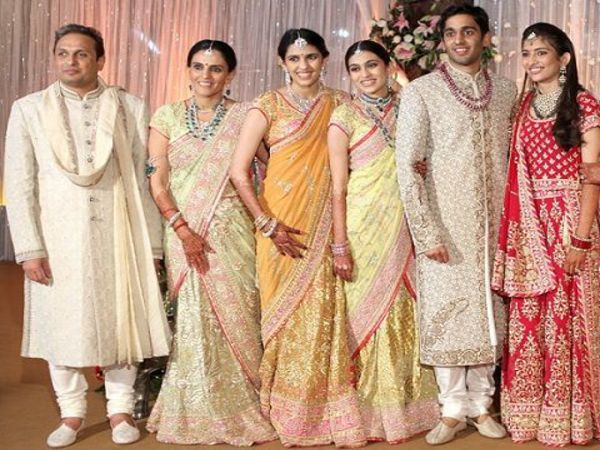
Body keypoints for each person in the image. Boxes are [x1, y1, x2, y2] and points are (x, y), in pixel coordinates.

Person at [3, 24, 171, 447]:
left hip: (119, 231)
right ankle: (71, 413)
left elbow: (143, 179)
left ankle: (120, 411)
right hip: (57, 236)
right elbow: (19, 183)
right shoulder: (29, 109)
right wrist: (29, 248)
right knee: (61, 323)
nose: (71, 61)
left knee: (121, 319)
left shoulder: (130, 107)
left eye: (81, 54)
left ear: (100, 60)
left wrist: (151, 243)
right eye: (63, 53)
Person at [229, 28, 365, 447]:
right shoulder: (266, 105)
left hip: (328, 223)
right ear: (281, 63)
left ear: (324, 59)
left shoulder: (342, 102)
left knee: (325, 313)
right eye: (294, 59)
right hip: (281, 229)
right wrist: (267, 224)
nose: (303, 66)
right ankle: (285, 409)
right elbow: (239, 172)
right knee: (283, 316)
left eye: (311, 57)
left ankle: (326, 409)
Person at [395, 5, 517, 445]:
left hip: (497, 224)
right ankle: (450, 410)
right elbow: (407, 165)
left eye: (468, 32)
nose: (460, 40)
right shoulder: (422, 92)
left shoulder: (506, 90)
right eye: (451, 33)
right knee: (448, 316)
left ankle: (481, 405)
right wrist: (426, 231)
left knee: (490, 314)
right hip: (445, 224)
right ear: (442, 41)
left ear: (485, 38)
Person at [144, 39, 276, 445]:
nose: (206, 75)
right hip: (184, 232)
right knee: (194, 319)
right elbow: (157, 181)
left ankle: (247, 400)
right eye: (199, 67)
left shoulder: (246, 115)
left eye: (216, 68)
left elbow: (274, 165)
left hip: (234, 233)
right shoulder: (166, 116)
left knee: (242, 313)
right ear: (188, 70)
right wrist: (183, 229)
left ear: (230, 74)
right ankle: (194, 406)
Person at [492, 23, 600, 446]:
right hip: (529, 224)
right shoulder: (522, 106)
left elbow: (593, 177)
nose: (532, 61)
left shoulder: (584, 104)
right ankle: (533, 416)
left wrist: (581, 239)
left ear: (564, 59)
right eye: (527, 53)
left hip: (571, 222)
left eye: (541, 53)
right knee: (530, 321)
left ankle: (574, 417)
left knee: (569, 320)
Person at [327, 40, 439, 443]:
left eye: (372, 65)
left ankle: (410, 404)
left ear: (389, 65)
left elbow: (430, 154)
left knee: (407, 305)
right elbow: (338, 187)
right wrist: (340, 244)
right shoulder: (343, 115)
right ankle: (370, 410)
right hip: (363, 223)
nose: (365, 75)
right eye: (355, 69)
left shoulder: (409, 105)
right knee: (365, 311)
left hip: (406, 222)